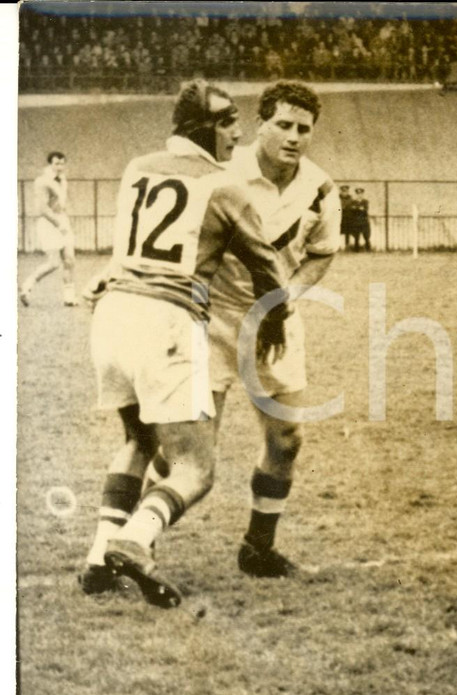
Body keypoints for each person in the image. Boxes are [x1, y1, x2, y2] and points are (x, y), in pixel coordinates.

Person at [79, 80, 291, 607]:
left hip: (111, 316)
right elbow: (268, 267)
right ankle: (135, 540)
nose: (237, 132)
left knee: (138, 441)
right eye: (227, 121)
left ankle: (97, 558)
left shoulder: (137, 167)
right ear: (204, 128)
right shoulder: (225, 186)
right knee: (196, 467)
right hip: (165, 321)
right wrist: (275, 320)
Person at [205, 80, 340, 577]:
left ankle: (258, 548)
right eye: (283, 124)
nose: (294, 136)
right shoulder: (221, 172)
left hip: (275, 323)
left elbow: (322, 255)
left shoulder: (321, 189)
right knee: (191, 448)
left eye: (304, 128)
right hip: (212, 317)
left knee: (286, 439)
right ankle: (131, 539)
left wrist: (285, 300)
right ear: (260, 123)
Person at [20, 151, 78, 307]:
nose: (60, 167)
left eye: (62, 163)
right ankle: (27, 286)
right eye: (56, 164)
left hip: (62, 220)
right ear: (50, 164)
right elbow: (42, 209)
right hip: (48, 223)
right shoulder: (42, 181)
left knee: (70, 259)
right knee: (54, 263)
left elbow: (61, 204)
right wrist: (58, 224)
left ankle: (69, 298)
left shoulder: (63, 180)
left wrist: (65, 221)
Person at [352, 187, 372, 251]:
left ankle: (368, 248)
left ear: (363, 194)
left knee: (366, 236)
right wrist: (359, 209)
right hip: (356, 221)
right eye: (358, 194)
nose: (359, 195)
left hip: (364, 221)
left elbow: (365, 210)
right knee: (356, 236)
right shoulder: (353, 202)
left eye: (361, 194)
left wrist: (357, 209)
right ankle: (356, 249)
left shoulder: (365, 201)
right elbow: (352, 210)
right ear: (356, 195)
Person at [338, 183, 353, 248]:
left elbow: (351, 207)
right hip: (339, 217)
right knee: (338, 231)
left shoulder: (350, 198)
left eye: (346, 191)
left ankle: (347, 245)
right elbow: (337, 208)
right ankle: (338, 245)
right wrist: (340, 210)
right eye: (343, 191)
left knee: (348, 232)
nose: (344, 193)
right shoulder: (337, 198)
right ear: (341, 191)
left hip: (347, 217)